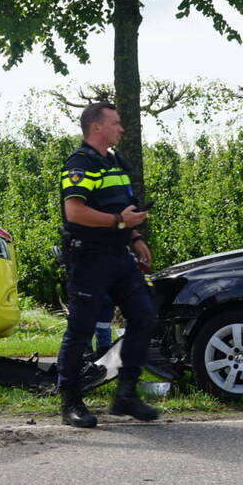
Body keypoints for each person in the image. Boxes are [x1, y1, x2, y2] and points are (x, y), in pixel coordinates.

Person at [56, 102, 157, 428]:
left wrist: (135, 236)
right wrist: (118, 222)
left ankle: (125, 394)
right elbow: (75, 212)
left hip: (119, 257)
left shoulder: (113, 162)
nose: (121, 129)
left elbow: (122, 207)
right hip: (89, 259)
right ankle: (70, 403)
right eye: (115, 123)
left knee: (144, 316)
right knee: (81, 330)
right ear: (96, 127)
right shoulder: (80, 163)